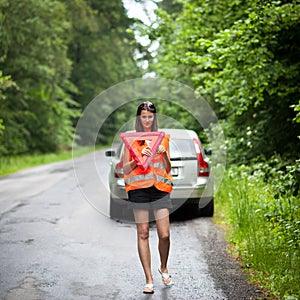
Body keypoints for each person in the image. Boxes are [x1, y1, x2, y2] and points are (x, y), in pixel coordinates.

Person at [123, 101, 173, 294]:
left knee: (164, 234)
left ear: (154, 118)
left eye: (150, 116)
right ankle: (149, 279)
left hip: (159, 188)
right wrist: (137, 159)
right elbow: (125, 168)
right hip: (138, 189)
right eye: (143, 116)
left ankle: (164, 267)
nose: (146, 119)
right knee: (143, 233)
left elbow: (167, 168)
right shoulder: (131, 139)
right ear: (139, 118)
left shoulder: (163, 138)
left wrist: (165, 155)